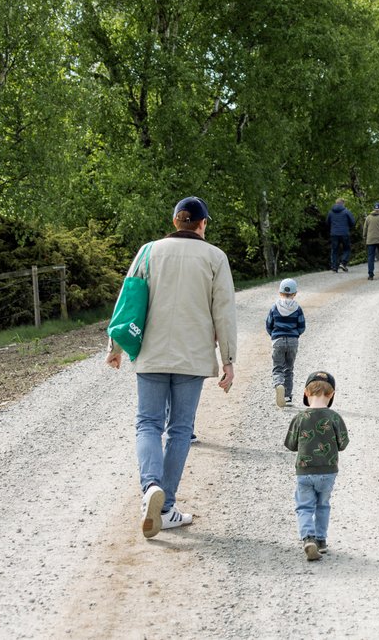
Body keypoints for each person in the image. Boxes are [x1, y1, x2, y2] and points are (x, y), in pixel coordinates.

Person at [106, 196, 236, 539]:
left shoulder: (149, 250)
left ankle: (150, 487)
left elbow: (128, 298)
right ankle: (165, 508)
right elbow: (224, 312)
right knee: (180, 429)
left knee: (148, 423)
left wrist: (115, 346)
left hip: (152, 352)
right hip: (192, 358)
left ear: (176, 221)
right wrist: (229, 361)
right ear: (203, 224)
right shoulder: (215, 257)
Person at [285, 370, 349, 561]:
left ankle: (308, 538)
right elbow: (343, 444)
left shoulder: (300, 418)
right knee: (323, 505)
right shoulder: (335, 418)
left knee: (304, 507)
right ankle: (321, 541)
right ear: (331, 395)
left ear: (306, 392)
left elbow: (290, 444)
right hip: (328, 471)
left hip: (304, 472)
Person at [266, 278, 306, 407]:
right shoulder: (297, 308)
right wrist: (295, 335)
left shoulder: (274, 307)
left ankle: (279, 385)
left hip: (278, 340)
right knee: (289, 369)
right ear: (295, 293)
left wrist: (273, 335)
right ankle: (287, 396)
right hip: (293, 341)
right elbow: (301, 326)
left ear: (280, 292)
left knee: (278, 368)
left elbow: (269, 324)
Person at [326, 198, 354, 273]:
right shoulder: (346, 212)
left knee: (334, 250)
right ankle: (343, 263)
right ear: (343, 203)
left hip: (334, 234)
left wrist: (333, 228)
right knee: (347, 248)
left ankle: (334, 267)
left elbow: (327, 223)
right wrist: (348, 227)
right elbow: (352, 222)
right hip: (345, 233)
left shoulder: (330, 212)